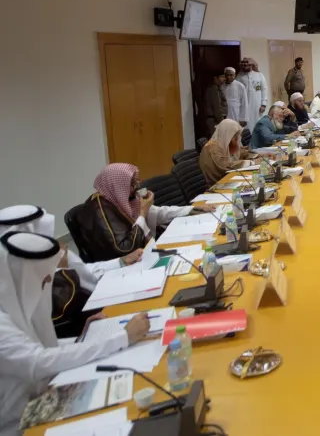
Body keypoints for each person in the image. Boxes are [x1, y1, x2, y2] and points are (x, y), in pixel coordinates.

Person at [0, 229, 151, 435]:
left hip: (49, 395)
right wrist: (122, 338)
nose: (47, 283)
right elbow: (38, 361)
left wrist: (81, 338)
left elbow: (33, 350)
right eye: (43, 279)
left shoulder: (13, 302)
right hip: (22, 425)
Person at [0, 205, 146, 339]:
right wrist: (63, 269)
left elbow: (83, 270)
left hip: (96, 312)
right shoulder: (12, 275)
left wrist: (121, 261)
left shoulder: (51, 250)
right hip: (80, 323)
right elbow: (39, 351)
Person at [75, 164, 193, 261]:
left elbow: (156, 213)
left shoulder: (119, 197)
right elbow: (126, 248)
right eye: (132, 184)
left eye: (136, 181)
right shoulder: (101, 211)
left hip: (145, 253)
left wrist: (190, 209)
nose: (137, 186)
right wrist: (142, 212)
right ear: (118, 186)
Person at [199, 119, 254, 185]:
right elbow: (226, 166)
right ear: (227, 133)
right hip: (216, 185)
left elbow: (240, 153)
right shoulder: (212, 148)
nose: (237, 138)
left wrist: (258, 155)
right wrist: (252, 162)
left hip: (228, 180)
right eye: (235, 135)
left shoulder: (224, 142)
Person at [236, 57, 268, 129]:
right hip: (244, 106)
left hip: (257, 105)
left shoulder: (259, 75)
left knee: (257, 122)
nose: (244, 67)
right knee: (245, 124)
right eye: (243, 65)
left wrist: (264, 104)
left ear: (251, 65)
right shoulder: (239, 77)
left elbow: (264, 89)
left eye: (246, 65)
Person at [202, 69, 228, 137]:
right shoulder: (213, 89)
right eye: (222, 77)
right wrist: (221, 122)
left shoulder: (218, 88)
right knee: (216, 142)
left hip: (216, 119)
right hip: (214, 120)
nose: (224, 79)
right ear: (215, 78)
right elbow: (217, 107)